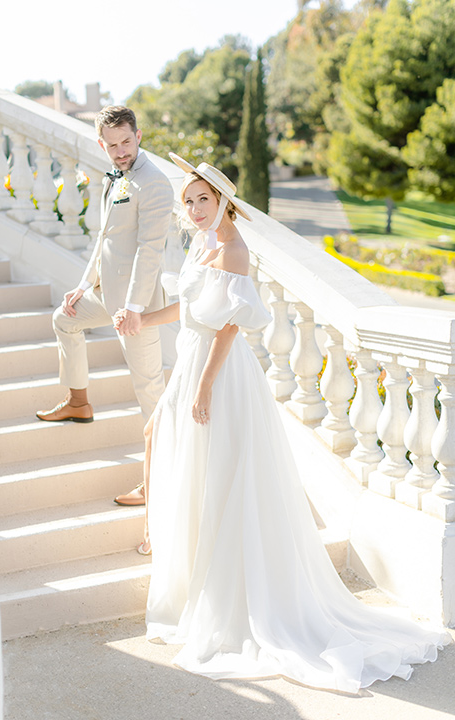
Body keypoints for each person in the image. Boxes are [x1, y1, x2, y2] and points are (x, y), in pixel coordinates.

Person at [136, 152, 450, 692]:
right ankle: (196, 587)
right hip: (191, 362)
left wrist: (205, 386)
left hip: (221, 373)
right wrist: (144, 318)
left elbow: (231, 327)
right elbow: (190, 312)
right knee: (192, 468)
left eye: (202, 200)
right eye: (188, 202)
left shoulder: (235, 249)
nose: (193, 209)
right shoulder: (199, 242)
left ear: (224, 201)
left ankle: (237, 595)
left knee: (225, 474)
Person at [36, 106, 173, 506]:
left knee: (149, 390)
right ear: (102, 144)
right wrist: (82, 285)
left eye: (126, 142)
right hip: (104, 294)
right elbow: (105, 240)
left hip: (139, 306)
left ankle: (157, 479)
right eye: (111, 145)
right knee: (64, 318)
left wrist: (133, 307)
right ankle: (79, 402)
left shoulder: (155, 183)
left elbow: (150, 251)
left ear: (139, 135)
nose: (120, 151)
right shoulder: (113, 178)